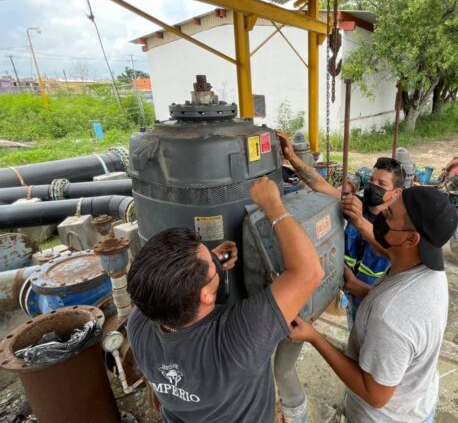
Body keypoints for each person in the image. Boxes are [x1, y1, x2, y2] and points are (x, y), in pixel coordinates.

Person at [126, 176, 324, 423]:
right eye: (209, 260)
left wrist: (213, 267)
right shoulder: (235, 339)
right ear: (206, 295)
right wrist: (273, 205)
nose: (213, 255)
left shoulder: (139, 321)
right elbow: (309, 272)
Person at [288, 187, 457, 423]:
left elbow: (375, 395)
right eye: (389, 206)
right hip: (417, 403)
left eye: (389, 216)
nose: (380, 216)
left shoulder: (393, 315)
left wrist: (315, 337)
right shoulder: (428, 271)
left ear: (411, 239)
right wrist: (360, 287)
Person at [276, 131, 403, 328]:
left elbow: (390, 250)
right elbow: (319, 184)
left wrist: (359, 220)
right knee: (354, 331)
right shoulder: (355, 204)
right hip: (352, 296)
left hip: (376, 302)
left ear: (396, 192)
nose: (373, 186)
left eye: (381, 184)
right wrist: (291, 156)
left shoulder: (397, 225)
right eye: (371, 180)